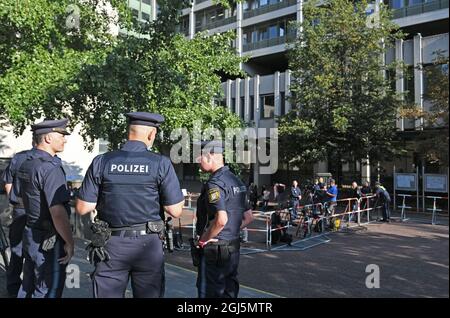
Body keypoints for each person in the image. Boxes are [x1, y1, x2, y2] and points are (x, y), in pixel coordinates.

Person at [76, 112, 184, 298]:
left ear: (129, 132)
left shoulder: (102, 161)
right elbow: (174, 211)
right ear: (151, 135)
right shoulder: (160, 163)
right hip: (147, 246)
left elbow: (83, 207)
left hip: (111, 244)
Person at [16, 119, 74, 298]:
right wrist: (69, 242)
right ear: (48, 138)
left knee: (28, 286)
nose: (65, 140)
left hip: (31, 232)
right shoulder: (50, 168)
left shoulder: (26, 163)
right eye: (61, 136)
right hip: (48, 239)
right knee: (49, 289)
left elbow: (22, 198)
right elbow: (57, 212)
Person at [194, 140, 254, 298]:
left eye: (199, 157)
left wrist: (204, 239)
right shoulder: (237, 181)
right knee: (229, 293)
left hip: (215, 252)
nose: (197, 162)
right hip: (232, 249)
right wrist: (230, 231)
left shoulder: (215, 184)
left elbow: (221, 220)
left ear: (209, 156)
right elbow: (248, 217)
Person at [1, 144, 34, 298]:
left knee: (17, 250)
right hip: (39, 213)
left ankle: (14, 288)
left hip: (19, 210)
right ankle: (29, 288)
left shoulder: (19, 157)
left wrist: (15, 202)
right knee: (34, 251)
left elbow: (8, 182)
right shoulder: (51, 160)